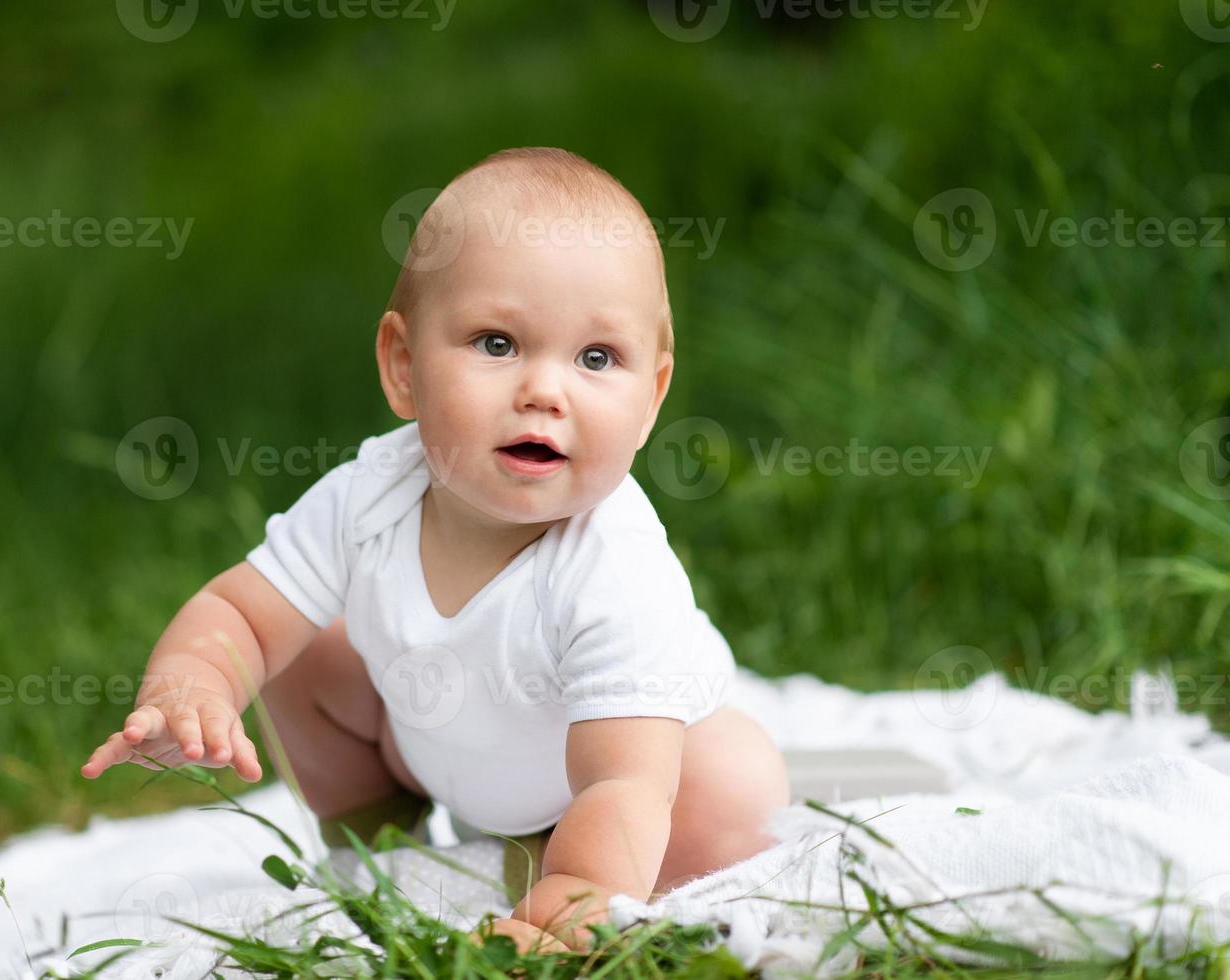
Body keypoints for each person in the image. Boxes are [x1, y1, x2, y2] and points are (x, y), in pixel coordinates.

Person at [82, 146, 790, 954]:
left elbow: (621, 782)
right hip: (447, 749)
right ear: (404, 367)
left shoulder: (612, 566)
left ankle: (553, 887)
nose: (544, 391)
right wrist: (193, 686)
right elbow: (239, 610)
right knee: (311, 652)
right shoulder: (373, 493)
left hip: (631, 789)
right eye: (496, 343)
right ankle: (381, 854)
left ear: (651, 399)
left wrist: (566, 905)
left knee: (728, 797)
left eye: (596, 359)